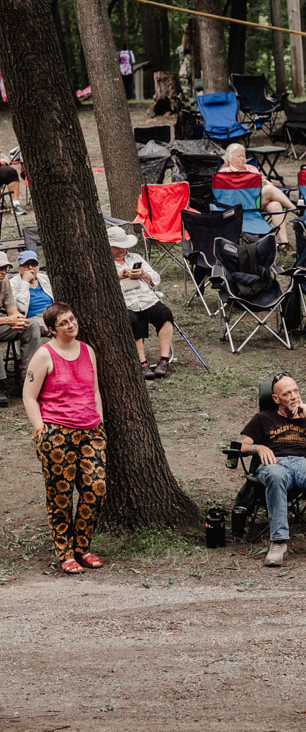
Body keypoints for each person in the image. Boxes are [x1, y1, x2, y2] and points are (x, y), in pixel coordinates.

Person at [22, 303, 106, 574]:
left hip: (91, 431)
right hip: (56, 433)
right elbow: (29, 396)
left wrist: (99, 422)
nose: (71, 325)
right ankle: (65, 552)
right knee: (60, 496)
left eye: (72, 319)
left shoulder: (88, 351)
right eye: (64, 323)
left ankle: (83, 547)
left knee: (95, 489)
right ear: (52, 329)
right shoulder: (44, 355)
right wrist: (40, 430)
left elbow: (94, 391)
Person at [239, 372, 306, 567]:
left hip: (303, 465)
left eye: (295, 391)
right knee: (276, 474)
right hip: (275, 463)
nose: (294, 396)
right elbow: (240, 445)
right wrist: (258, 448)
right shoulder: (263, 418)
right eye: (287, 394)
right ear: (276, 399)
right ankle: (279, 542)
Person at [108, 226, 174, 380]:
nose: (122, 250)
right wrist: (117, 277)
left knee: (165, 314)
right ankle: (142, 363)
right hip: (125, 303)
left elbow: (155, 278)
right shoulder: (105, 263)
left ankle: (164, 360)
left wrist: (143, 274)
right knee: (133, 320)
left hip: (147, 299)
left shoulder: (135, 257)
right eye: (118, 247)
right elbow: (102, 286)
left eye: (124, 246)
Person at [220, 143, 293, 251]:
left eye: (244, 156)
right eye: (239, 156)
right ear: (230, 158)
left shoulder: (252, 168)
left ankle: (284, 243)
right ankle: (294, 209)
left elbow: (269, 186)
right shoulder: (225, 172)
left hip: (257, 204)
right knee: (269, 190)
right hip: (240, 205)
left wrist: (264, 182)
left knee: (275, 205)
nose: (242, 159)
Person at [0, 250, 41, 407]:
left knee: (31, 325)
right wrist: (7, 320)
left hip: (3, 324)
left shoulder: (4, 282)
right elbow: (8, 318)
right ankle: (1, 384)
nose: (3, 272)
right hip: (2, 322)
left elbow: (12, 309)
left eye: (5, 268)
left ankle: (28, 378)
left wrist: (18, 320)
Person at [10, 249, 53, 334]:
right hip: (33, 318)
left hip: (52, 313)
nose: (30, 267)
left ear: (38, 267)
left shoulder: (45, 278)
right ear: (19, 269)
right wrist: (25, 283)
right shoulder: (13, 283)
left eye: (33, 264)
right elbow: (20, 308)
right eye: (26, 265)